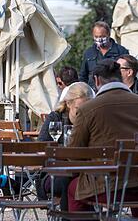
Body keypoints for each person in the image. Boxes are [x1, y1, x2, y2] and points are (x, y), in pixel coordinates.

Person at [68, 59, 138, 214]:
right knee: (135, 181)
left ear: (96, 80)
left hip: (107, 187)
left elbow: (74, 154)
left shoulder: (87, 109)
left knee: (73, 188)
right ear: (121, 77)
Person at [37, 82, 95, 210]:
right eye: (78, 110)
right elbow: (41, 146)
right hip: (53, 173)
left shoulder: (91, 121)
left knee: (83, 182)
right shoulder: (56, 118)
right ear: (68, 104)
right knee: (69, 181)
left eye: (88, 110)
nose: (83, 114)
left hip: (82, 172)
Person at [79, 21, 129, 88]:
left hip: (114, 90)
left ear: (108, 34)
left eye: (102, 36)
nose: (99, 39)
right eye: (96, 36)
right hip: (94, 92)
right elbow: (83, 76)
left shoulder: (121, 51)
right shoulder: (89, 53)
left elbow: (126, 74)